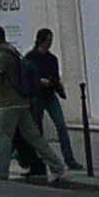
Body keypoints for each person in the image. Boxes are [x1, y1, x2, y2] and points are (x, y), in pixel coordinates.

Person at [0, 26, 55, 183]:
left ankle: (1, 172)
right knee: (34, 137)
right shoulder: (11, 50)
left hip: (9, 103)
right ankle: (57, 166)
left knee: (2, 137)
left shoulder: (2, 56)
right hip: (21, 101)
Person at [26, 30, 75, 173]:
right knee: (37, 129)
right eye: (48, 40)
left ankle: (69, 159)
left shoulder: (52, 58)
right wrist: (40, 81)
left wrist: (55, 83)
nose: (50, 43)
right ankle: (41, 159)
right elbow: (28, 77)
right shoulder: (31, 57)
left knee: (61, 125)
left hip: (50, 95)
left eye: (51, 40)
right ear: (41, 40)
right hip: (37, 96)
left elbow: (55, 75)